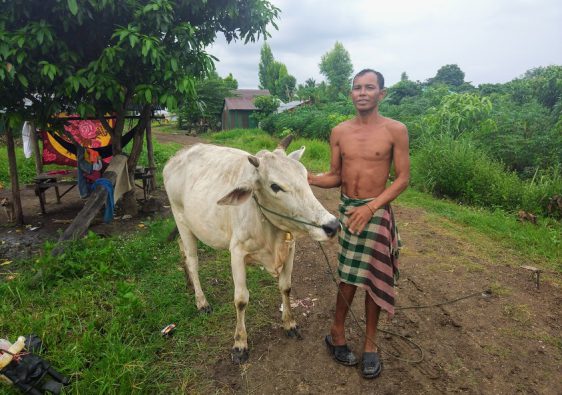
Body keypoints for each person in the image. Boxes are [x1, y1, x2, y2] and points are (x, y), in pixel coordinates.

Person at [308, 69, 410, 379]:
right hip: (349, 211)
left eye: (369, 87)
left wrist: (373, 206)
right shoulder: (339, 131)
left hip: (376, 213)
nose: (362, 92)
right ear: (351, 94)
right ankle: (336, 333)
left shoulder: (396, 130)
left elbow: (403, 178)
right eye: (357, 88)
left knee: (375, 278)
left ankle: (370, 345)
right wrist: (306, 178)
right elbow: (336, 175)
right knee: (349, 277)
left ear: (382, 93)